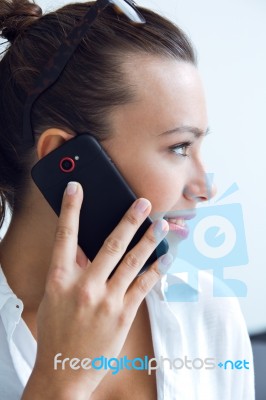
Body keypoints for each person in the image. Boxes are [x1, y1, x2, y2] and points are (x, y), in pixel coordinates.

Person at [0, 0, 255, 399]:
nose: (205, 189)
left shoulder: (208, 311)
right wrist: (61, 380)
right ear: (65, 160)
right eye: (179, 147)